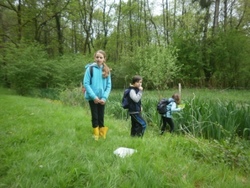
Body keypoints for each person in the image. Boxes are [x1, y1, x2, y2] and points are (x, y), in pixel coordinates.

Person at [83, 50, 112, 141]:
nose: (99, 59)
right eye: (97, 57)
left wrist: (104, 97)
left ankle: (102, 134)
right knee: (95, 116)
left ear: (104, 59)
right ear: (94, 58)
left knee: (101, 116)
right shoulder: (90, 69)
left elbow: (108, 85)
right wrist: (94, 97)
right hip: (93, 98)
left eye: (101, 57)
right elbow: (86, 83)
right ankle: (96, 135)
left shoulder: (106, 70)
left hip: (102, 98)